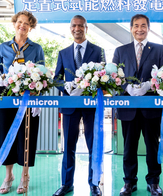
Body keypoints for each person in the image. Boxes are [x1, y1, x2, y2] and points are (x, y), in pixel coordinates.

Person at [112, 14, 163, 196]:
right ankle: (129, 182)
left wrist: (150, 85)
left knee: (152, 146)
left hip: (151, 107)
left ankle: (153, 182)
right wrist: (127, 86)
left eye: (143, 25)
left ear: (148, 28)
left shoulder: (159, 49)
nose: (140, 29)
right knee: (129, 147)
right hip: (128, 107)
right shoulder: (121, 50)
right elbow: (114, 76)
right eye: (136, 25)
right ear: (131, 28)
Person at [0, 11, 45, 194]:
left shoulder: (36, 48)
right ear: (14, 23)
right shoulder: (4, 47)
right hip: (6, 95)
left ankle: (24, 175)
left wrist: (37, 92)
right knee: (6, 134)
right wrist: (0, 78)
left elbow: (42, 71)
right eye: (20, 22)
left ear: (31, 27)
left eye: (27, 23)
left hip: (28, 96)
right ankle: (8, 176)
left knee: (26, 133)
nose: (22, 25)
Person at [53, 15, 105, 196]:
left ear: (86, 28)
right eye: (74, 25)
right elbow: (56, 80)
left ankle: (94, 183)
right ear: (70, 28)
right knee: (68, 147)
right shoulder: (63, 53)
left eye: (81, 26)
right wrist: (65, 85)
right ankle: (66, 184)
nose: (77, 28)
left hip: (91, 106)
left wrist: (88, 86)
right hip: (69, 106)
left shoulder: (98, 51)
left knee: (94, 145)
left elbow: (104, 77)